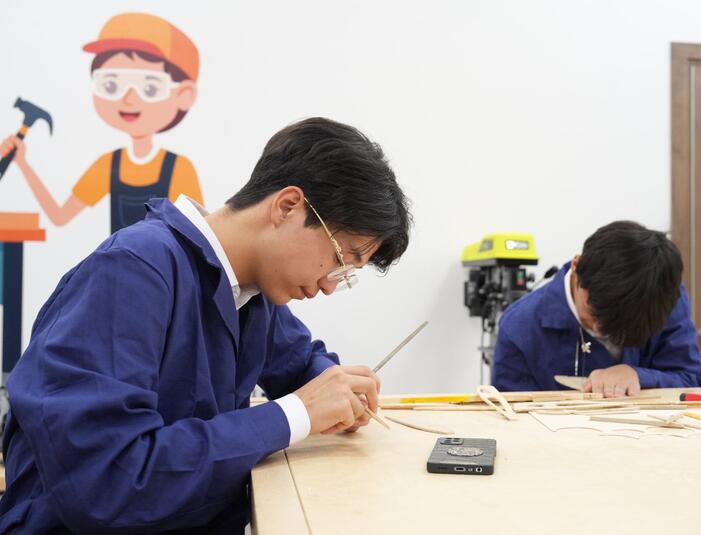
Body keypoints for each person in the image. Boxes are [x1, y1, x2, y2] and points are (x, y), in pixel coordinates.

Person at [0, 117, 411, 533]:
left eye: (346, 276)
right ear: (288, 207)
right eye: (341, 260)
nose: (329, 286)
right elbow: (111, 481)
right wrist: (296, 413)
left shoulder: (250, 290)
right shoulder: (134, 270)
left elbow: (302, 362)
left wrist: (339, 391)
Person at [0, 12, 204, 234]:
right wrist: (23, 163)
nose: (129, 99)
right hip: (118, 258)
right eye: (111, 85)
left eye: (149, 88)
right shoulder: (109, 165)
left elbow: (196, 234)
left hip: (160, 259)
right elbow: (59, 216)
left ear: (183, 94)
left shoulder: (179, 168)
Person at [493, 220, 701, 397]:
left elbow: (694, 384)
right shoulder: (520, 327)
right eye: (595, 312)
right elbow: (512, 416)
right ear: (577, 266)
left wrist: (639, 376)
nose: (600, 330)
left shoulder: (660, 297)